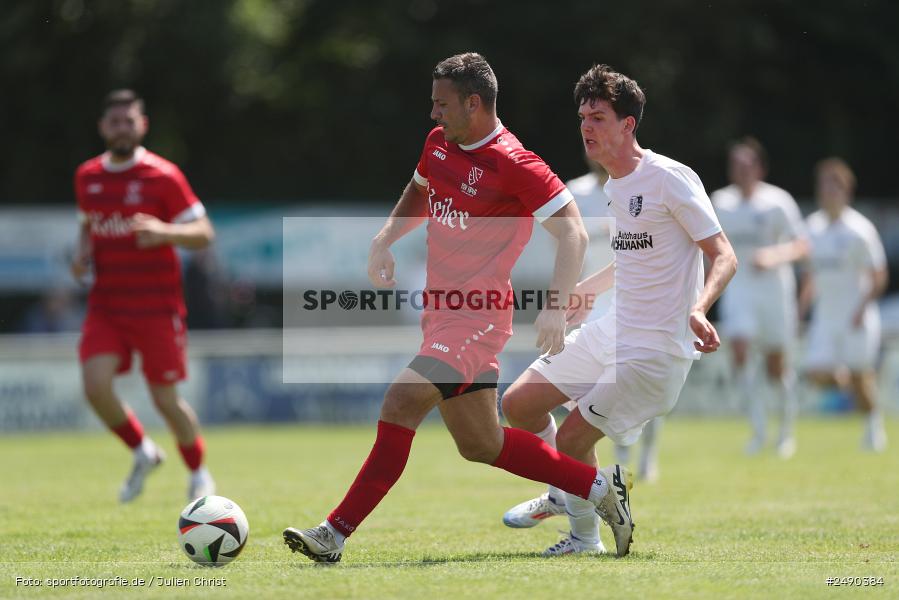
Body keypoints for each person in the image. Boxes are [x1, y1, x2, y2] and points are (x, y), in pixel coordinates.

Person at [283, 52, 639, 563]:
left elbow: (575, 232)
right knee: (482, 444)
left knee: (400, 401)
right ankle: (599, 487)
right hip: (440, 316)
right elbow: (420, 189)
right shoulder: (440, 144)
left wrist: (557, 306)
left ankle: (333, 533)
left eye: (441, 104)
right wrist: (385, 237)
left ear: (474, 103)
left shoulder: (515, 162)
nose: (433, 114)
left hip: (478, 318)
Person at [500, 64, 737, 556]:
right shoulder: (614, 185)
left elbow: (724, 255)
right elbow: (633, 257)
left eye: (599, 117)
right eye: (583, 116)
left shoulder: (670, 178)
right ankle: (567, 492)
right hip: (613, 329)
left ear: (628, 124)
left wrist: (699, 307)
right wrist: (588, 286)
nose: (587, 126)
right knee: (518, 404)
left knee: (570, 440)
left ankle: (583, 537)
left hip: (655, 349)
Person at [71, 89, 216, 503]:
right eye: (115, 122)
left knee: (166, 400)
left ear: (142, 125)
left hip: (157, 308)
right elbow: (87, 225)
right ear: (103, 128)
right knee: (95, 386)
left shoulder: (163, 176)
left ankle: (199, 472)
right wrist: (82, 254)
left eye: (129, 121)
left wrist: (165, 231)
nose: (122, 128)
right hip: (108, 306)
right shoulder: (87, 176)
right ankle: (142, 451)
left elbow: (205, 233)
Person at [568, 161, 666, 484]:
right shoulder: (575, 192)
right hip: (592, 301)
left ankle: (648, 456)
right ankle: (622, 458)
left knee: (638, 381)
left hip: (632, 298)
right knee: (601, 383)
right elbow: (567, 248)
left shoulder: (639, 187)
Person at [711, 138, 807, 458]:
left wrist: (774, 255)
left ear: (760, 167)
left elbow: (802, 244)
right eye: (736, 164)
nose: (742, 170)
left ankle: (786, 432)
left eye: (747, 164)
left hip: (774, 292)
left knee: (776, 366)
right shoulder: (720, 202)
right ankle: (758, 429)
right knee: (738, 347)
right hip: (739, 290)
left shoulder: (778, 202)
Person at [800, 158, 888, 451]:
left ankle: (873, 425)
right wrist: (801, 309)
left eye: (833, 187)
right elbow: (811, 276)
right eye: (823, 187)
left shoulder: (859, 230)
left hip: (855, 317)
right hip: (826, 317)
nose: (827, 193)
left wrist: (862, 308)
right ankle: (852, 387)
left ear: (846, 191)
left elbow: (879, 275)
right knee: (816, 373)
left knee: (861, 375)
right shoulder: (811, 227)